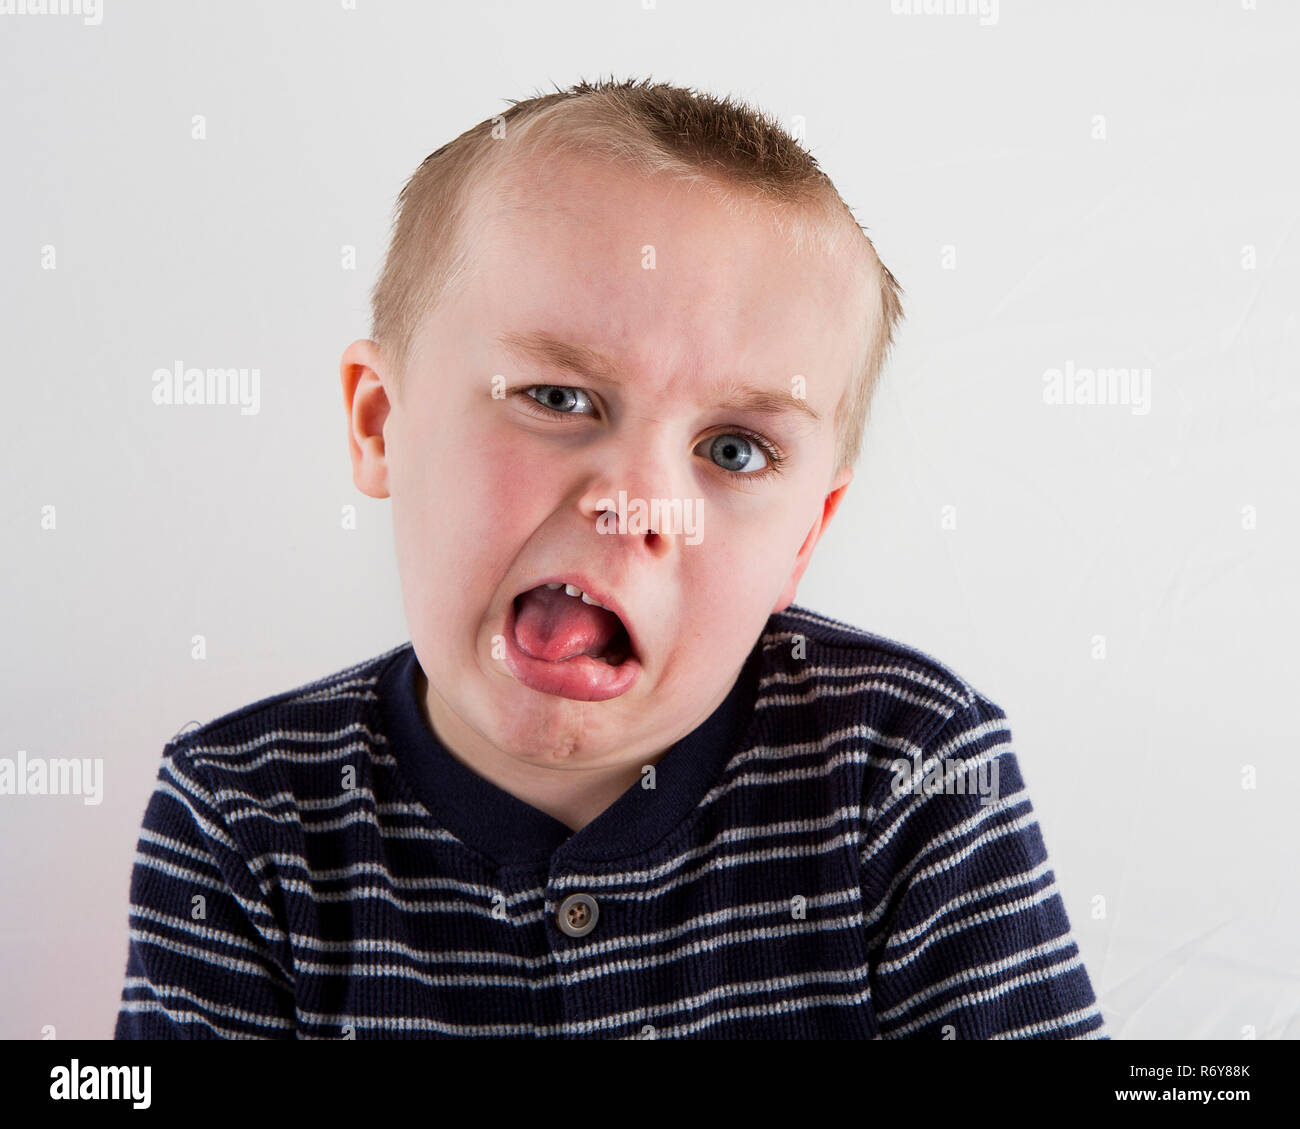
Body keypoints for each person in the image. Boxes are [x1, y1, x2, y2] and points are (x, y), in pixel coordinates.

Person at [115, 77, 1106, 1039]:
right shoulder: (242, 813)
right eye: (556, 397)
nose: (633, 500)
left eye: (733, 450)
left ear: (803, 538)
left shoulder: (907, 768)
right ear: (382, 424)